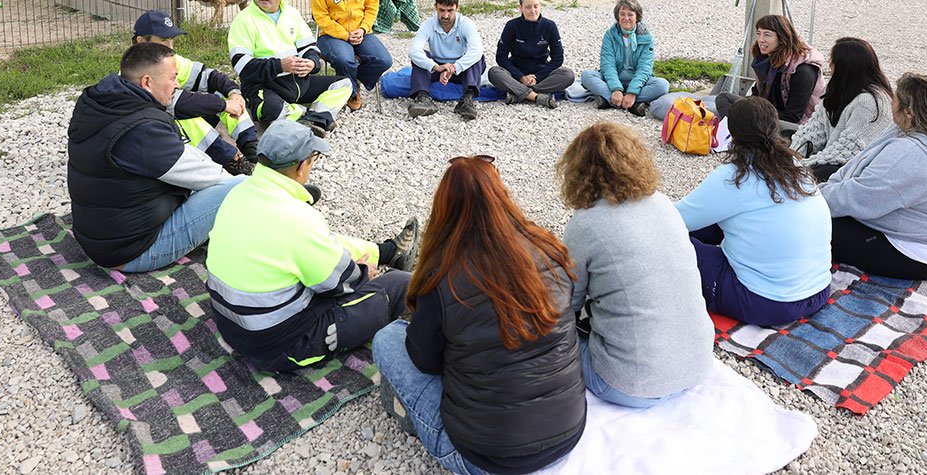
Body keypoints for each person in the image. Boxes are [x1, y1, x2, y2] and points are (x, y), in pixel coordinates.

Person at [372, 155, 586, 475]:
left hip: (484, 459)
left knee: (387, 338)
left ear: (443, 209)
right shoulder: (548, 248)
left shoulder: (442, 274)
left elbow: (425, 362)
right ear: (503, 198)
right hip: (567, 437)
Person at [206, 119, 419, 371]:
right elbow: (340, 284)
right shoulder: (298, 219)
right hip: (278, 345)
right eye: (314, 158)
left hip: (231, 326)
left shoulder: (238, 193)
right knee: (400, 284)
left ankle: (388, 251)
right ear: (302, 166)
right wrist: (361, 273)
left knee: (326, 243)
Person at [557, 122, 714, 407]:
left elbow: (566, 302)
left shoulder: (586, 223)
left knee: (555, 339)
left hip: (628, 385)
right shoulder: (663, 204)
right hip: (698, 366)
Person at [67, 42, 244, 272]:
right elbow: (210, 178)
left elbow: (176, 156)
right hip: (133, 251)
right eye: (172, 78)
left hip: (100, 238)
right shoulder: (143, 131)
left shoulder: (104, 102)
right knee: (241, 187)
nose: (177, 84)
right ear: (147, 82)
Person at [675, 97, 832, 326]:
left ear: (733, 135)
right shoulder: (796, 167)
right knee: (719, 221)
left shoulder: (733, 177)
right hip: (817, 291)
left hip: (767, 302)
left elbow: (672, 219)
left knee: (672, 243)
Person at [821, 73, 927, 280]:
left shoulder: (909, 156)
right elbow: (857, 168)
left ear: (909, 112)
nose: (890, 102)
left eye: (894, 98)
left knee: (807, 225)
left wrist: (811, 200)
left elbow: (856, 198)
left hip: (915, 256)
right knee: (825, 173)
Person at [228, 0, 352, 137]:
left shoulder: (292, 14)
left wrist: (312, 63)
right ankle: (310, 119)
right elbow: (241, 66)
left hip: (298, 82)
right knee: (268, 108)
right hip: (264, 86)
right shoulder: (243, 20)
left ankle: (312, 119)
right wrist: (280, 66)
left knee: (344, 83)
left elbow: (310, 47)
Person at [132, 10, 258, 176]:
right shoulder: (135, 71)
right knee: (188, 116)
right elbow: (177, 103)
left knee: (221, 95)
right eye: (163, 40)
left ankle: (253, 152)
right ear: (141, 41)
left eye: (172, 40)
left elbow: (209, 76)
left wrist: (233, 93)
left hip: (173, 130)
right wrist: (225, 105)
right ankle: (232, 161)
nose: (170, 47)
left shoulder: (167, 59)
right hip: (159, 139)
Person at [791, 37, 893, 181]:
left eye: (833, 60)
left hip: (855, 170)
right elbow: (813, 131)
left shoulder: (869, 103)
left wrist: (800, 167)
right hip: (831, 159)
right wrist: (791, 156)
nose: (829, 63)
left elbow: (847, 151)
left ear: (845, 66)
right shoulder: (836, 89)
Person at [311, 0, 393, 111]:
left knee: (384, 60)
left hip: (360, 32)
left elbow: (372, 5)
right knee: (344, 60)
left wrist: (363, 29)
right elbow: (320, 16)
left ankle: (350, 80)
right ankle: (352, 92)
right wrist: (345, 35)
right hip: (333, 35)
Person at [716, 15, 825, 134]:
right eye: (758, 33)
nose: (760, 39)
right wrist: (747, 109)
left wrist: (754, 115)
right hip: (769, 113)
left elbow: (793, 116)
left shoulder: (804, 70)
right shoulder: (764, 60)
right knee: (724, 98)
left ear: (782, 37)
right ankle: (739, 132)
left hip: (797, 125)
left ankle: (742, 133)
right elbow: (756, 97)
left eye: (767, 34)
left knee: (762, 123)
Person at [580, 0, 670, 115]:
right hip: (613, 79)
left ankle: (610, 101)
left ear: (637, 17)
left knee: (662, 85)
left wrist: (632, 92)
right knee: (587, 75)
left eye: (630, 14)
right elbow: (608, 65)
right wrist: (616, 89)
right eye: (622, 14)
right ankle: (631, 104)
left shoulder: (646, 37)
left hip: (636, 81)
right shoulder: (610, 35)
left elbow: (645, 68)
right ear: (617, 16)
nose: (626, 18)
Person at [407, 0, 486, 121]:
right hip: (437, 68)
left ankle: (466, 100)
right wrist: (436, 67)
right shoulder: (428, 24)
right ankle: (424, 98)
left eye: (450, 11)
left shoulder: (466, 24)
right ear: (435, 7)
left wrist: (454, 67)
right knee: (420, 56)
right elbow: (414, 51)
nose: (445, 16)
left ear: (457, 8)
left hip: (461, 70)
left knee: (478, 58)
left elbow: (477, 50)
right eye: (441, 10)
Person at [487, 0, 574, 109]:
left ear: (540, 6)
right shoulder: (512, 26)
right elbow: (501, 57)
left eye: (536, 6)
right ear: (520, 7)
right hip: (516, 74)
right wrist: (521, 77)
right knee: (494, 72)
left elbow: (558, 58)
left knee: (568, 75)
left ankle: (519, 94)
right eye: (528, 7)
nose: (533, 11)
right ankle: (537, 97)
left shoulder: (550, 26)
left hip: (541, 74)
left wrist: (537, 77)